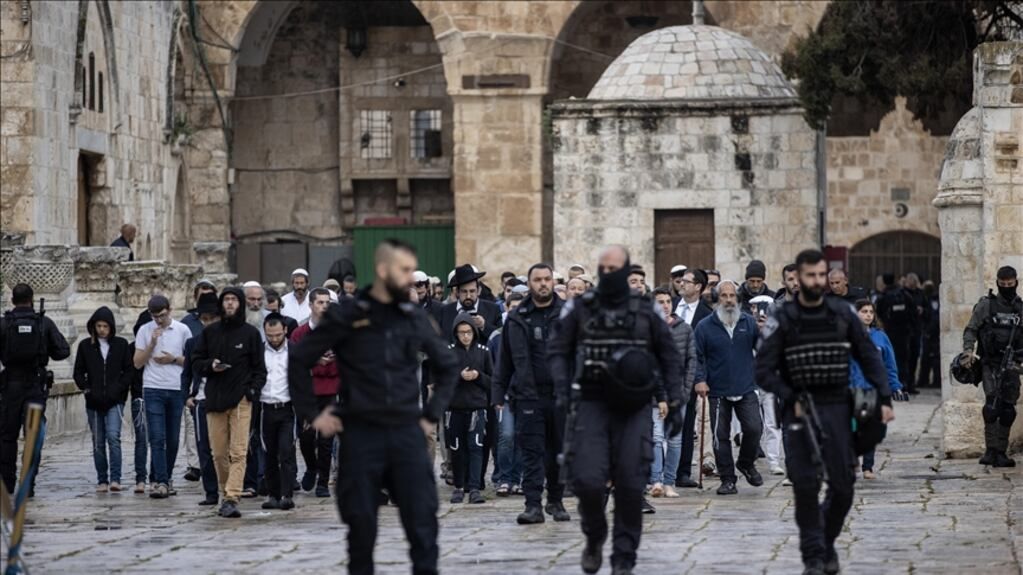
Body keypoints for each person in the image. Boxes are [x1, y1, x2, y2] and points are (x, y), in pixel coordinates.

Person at [288, 238, 459, 575]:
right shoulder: (348, 315)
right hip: (360, 435)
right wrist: (312, 412)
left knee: (423, 529)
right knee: (361, 532)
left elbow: (447, 364)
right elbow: (299, 359)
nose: (412, 279)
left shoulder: (413, 316)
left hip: (406, 434)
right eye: (404, 270)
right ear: (383, 271)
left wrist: (431, 414)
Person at [756, 249, 895, 575]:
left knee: (843, 486)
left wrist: (884, 398)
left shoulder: (842, 314)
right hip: (799, 410)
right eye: (811, 276)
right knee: (805, 486)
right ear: (798, 279)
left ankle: (826, 539)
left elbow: (868, 356)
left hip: (836, 405)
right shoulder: (784, 317)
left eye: (822, 276)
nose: (818, 282)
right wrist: (790, 394)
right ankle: (814, 557)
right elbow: (762, 370)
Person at [549, 246, 685, 575]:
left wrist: (676, 401)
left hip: (634, 406)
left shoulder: (646, 309)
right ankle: (594, 536)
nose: (608, 274)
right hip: (592, 403)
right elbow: (557, 349)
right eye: (603, 268)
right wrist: (563, 388)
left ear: (627, 271)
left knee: (629, 483)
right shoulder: (581, 307)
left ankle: (624, 558)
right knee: (588, 481)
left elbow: (668, 355)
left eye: (615, 269)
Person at [493, 263, 569, 525]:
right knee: (532, 451)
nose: (543, 284)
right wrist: (498, 393)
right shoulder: (518, 317)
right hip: (527, 396)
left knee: (558, 450)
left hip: (561, 395)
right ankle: (533, 504)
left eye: (547, 279)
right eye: (538, 280)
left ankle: (556, 501)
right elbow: (505, 359)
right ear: (530, 283)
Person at [190, 287, 267, 518]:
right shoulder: (210, 332)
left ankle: (232, 496)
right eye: (227, 300)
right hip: (214, 398)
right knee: (219, 453)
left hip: (242, 399)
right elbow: (195, 361)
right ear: (221, 304)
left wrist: (252, 391)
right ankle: (226, 492)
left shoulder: (250, 334)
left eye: (234, 300)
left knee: (239, 451)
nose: (230, 304)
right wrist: (209, 366)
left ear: (240, 304)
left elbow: (259, 370)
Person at [693, 280, 764, 495]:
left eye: (732, 296)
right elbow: (698, 357)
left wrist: (765, 332)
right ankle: (727, 478)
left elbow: (762, 349)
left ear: (738, 298)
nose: (729, 300)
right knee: (719, 436)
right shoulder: (704, 326)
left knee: (754, 428)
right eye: (724, 296)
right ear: (717, 299)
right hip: (716, 390)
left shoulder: (749, 322)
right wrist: (699, 380)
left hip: (745, 386)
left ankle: (745, 463)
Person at [0, 284, 71, 496]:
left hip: (9, 387)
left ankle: (7, 483)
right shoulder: (43, 323)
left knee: (6, 437)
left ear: (12, 301)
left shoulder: (4, 324)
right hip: (34, 387)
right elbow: (62, 351)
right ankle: (27, 484)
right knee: (32, 436)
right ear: (32, 300)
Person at [960, 265, 1023, 468]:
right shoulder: (986, 306)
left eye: (1010, 284)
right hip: (991, 362)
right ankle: (990, 450)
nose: (1006, 287)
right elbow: (970, 329)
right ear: (997, 283)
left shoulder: (1021, 309)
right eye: (1002, 284)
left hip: (1013, 363)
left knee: (1008, 409)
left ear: (1016, 283)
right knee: (991, 405)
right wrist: (968, 351)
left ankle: (1001, 452)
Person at [133, 295, 190, 499]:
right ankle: (161, 482)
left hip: (175, 388)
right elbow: (137, 363)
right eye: (155, 316)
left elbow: (190, 361)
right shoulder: (144, 330)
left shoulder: (182, 330)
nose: (159, 320)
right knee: (157, 437)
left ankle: (166, 477)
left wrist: (172, 359)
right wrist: (151, 344)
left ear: (170, 310)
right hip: (153, 387)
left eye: (163, 315)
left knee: (173, 438)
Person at [73, 307, 134, 493]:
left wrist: (118, 390)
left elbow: (128, 372)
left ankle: (116, 478)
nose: (101, 330)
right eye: (98, 326)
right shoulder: (85, 346)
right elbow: (78, 372)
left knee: (113, 437)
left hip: (115, 400)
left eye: (105, 326)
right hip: (94, 401)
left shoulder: (121, 345)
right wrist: (87, 389)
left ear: (111, 327)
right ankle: (102, 479)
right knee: (98, 441)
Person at [290, 287, 339, 498]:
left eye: (327, 302)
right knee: (307, 436)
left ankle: (323, 480)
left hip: (330, 390)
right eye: (320, 302)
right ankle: (311, 466)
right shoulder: (299, 334)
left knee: (326, 438)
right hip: (307, 391)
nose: (324, 306)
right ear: (310, 305)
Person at [851, 299, 905, 479]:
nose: (867, 315)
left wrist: (894, 385)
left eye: (870, 312)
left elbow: (889, 364)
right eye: (864, 311)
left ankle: (868, 466)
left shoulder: (880, 337)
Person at [650, 288, 697, 498]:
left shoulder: (684, 329)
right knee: (657, 437)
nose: (665, 305)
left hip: (678, 392)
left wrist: (686, 389)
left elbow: (691, 360)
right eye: (660, 302)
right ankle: (656, 480)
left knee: (675, 439)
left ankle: (669, 481)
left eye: (668, 301)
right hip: (654, 394)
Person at [671, 268, 713, 488]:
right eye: (681, 281)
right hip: (667, 372)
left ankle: (682, 471)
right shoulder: (669, 305)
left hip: (690, 374)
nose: (682, 284)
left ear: (698, 286)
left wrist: (700, 377)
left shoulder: (706, 315)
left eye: (687, 281)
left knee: (686, 424)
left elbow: (703, 350)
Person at [445, 312, 493, 504]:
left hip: (477, 407)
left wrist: (478, 376)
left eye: (468, 332)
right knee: (456, 448)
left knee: (476, 447)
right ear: (456, 333)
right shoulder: (448, 352)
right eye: (461, 332)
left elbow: (493, 380)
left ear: (474, 332)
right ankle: (458, 485)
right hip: (454, 408)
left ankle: (474, 487)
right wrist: (458, 376)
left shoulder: (483, 351)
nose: (465, 336)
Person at [183, 292, 222, 506]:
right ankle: (211, 491)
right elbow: (186, 374)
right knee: (204, 447)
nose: (208, 323)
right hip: (201, 400)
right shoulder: (193, 343)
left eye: (212, 318)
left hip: (224, 399)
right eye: (204, 319)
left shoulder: (229, 341)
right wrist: (187, 396)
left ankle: (230, 486)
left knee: (224, 448)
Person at [259, 314, 298, 510]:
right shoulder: (258, 351)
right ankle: (272, 494)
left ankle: (287, 494)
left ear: (285, 331)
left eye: (277, 335)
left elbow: (303, 381)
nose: (274, 339)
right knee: (269, 453)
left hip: (287, 408)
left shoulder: (294, 350)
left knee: (286, 451)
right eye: (270, 335)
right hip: (265, 408)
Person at [490, 292, 525, 496]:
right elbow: (494, 368)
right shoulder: (496, 336)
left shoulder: (528, 334)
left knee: (521, 437)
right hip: (505, 396)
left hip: (524, 395)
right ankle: (504, 477)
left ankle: (517, 478)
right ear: (506, 308)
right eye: (513, 307)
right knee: (506, 436)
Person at [875, 273, 919, 394]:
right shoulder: (904, 294)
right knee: (904, 359)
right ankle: (905, 383)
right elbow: (913, 312)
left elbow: (878, 313)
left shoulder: (883, 296)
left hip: (889, 332)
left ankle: (891, 384)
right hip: (904, 332)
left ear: (884, 281)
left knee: (889, 358)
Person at [438, 265, 503, 341]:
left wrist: (484, 326)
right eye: (464, 291)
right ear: (457, 292)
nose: (468, 296)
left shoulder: (493, 309)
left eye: (472, 291)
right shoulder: (445, 311)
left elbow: (501, 339)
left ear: (478, 291)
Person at [917, 281, 941, 389]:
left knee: (932, 358)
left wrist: (928, 331)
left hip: (931, 333)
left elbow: (934, 317)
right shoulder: (928, 300)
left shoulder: (932, 300)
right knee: (928, 358)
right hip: (930, 332)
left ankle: (932, 381)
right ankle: (926, 380)